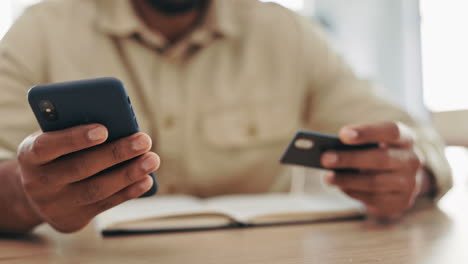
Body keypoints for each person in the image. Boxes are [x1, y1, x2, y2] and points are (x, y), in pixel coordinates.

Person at [0, 0, 452, 234]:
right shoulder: (41, 30)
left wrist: (413, 171)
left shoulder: (286, 33)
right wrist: (28, 195)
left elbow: (405, 131)